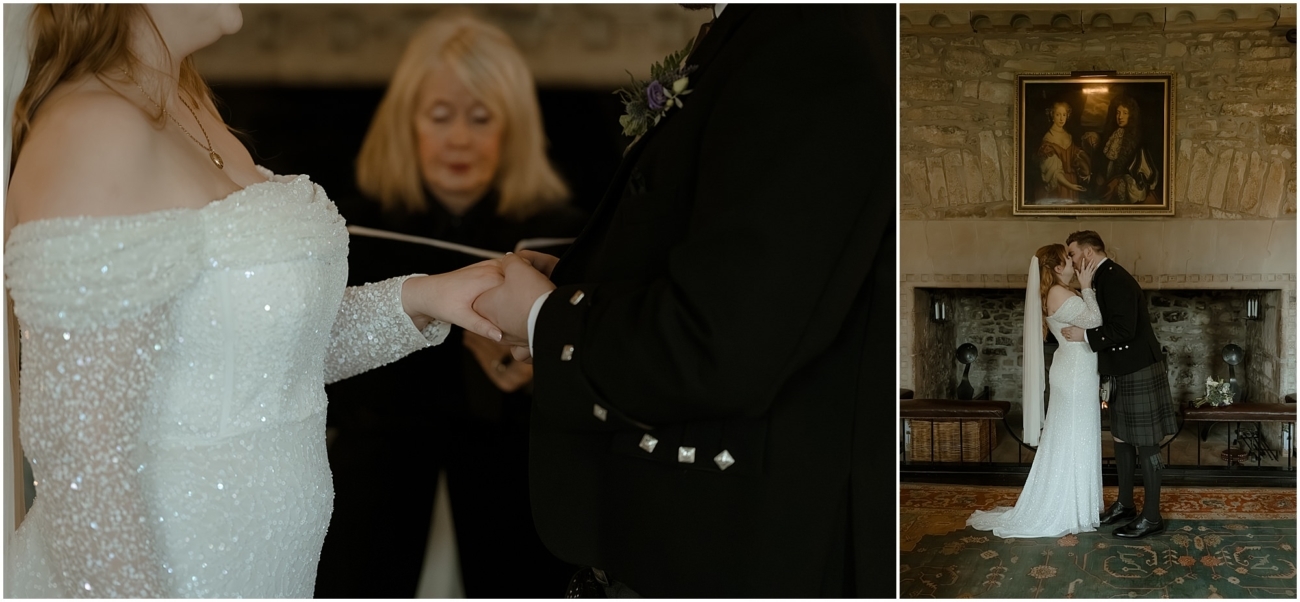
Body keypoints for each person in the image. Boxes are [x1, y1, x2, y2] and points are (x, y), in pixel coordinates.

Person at [3, 5, 503, 597]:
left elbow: (255, 359)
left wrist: (427, 297)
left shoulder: (186, 99)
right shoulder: (95, 130)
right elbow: (83, 470)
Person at [471, 4, 894, 597]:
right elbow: (738, 260)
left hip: (740, 550)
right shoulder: (773, 28)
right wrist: (573, 282)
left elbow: (724, 338)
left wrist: (545, 319)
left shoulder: (814, 35)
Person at [314, 14, 584, 598]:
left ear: (513, 129)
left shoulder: (561, 238)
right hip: (376, 481)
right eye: (440, 116)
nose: (459, 137)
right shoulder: (346, 226)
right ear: (405, 123)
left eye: (481, 118)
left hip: (511, 486)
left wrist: (535, 367)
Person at [966, 245, 1103, 538]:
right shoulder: (1057, 292)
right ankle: (1066, 507)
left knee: (1075, 436)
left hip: (1077, 370)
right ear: (1056, 268)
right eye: (1069, 260)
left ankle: (1078, 504)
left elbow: (1088, 325)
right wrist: (1088, 286)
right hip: (1076, 373)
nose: (1074, 263)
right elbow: (1095, 321)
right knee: (1073, 436)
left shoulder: (1061, 291)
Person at [1060, 230, 1177, 539]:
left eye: (1072, 253)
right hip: (1122, 369)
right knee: (1123, 439)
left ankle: (1152, 517)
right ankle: (1125, 504)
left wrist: (1084, 336)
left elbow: (1123, 329)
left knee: (1147, 442)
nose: (1070, 260)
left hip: (1137, 368)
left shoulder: (1115, 278)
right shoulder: (1102, 278)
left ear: (1087, 252)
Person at [1080, 96, 1159, 204]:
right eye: (1118, 113)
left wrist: (1117, 181)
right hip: (1106, 181)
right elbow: (1103, 158)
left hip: (1123, 184)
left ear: (1131, 115)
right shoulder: (1112, 134)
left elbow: (1136, 169)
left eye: (1125, 113)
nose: (1120, 116)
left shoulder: (1136, 140)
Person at [1033, 101, 1090, 204]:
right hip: (1058, 184)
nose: (1061, 118)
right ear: (1052, 115)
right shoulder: (1048, 140)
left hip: (1072, 181)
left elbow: (1076, 156)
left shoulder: (1068, 136)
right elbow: (1054, 172)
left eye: (1064, 115)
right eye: (1058, 114)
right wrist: (1071, 186)